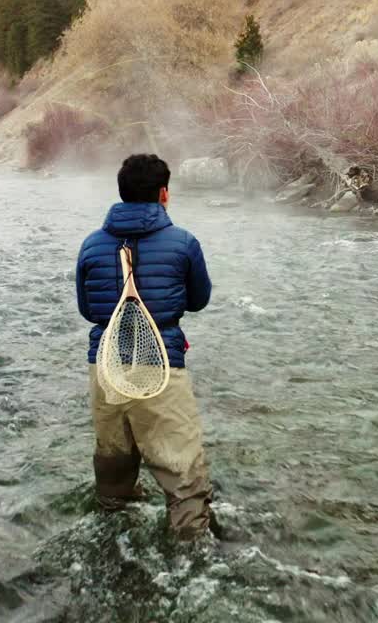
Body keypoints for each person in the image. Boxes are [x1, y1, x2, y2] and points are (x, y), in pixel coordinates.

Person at [75, 154, 215, 539]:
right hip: (162, 366)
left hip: (105, 366)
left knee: (113, 462)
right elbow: (199, 299)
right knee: (182, 469)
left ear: (121, 193)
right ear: (164, 194)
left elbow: (88, 310)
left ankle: (111, 530)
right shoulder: (184, 242)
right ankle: (191, 554)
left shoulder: (90, 245)